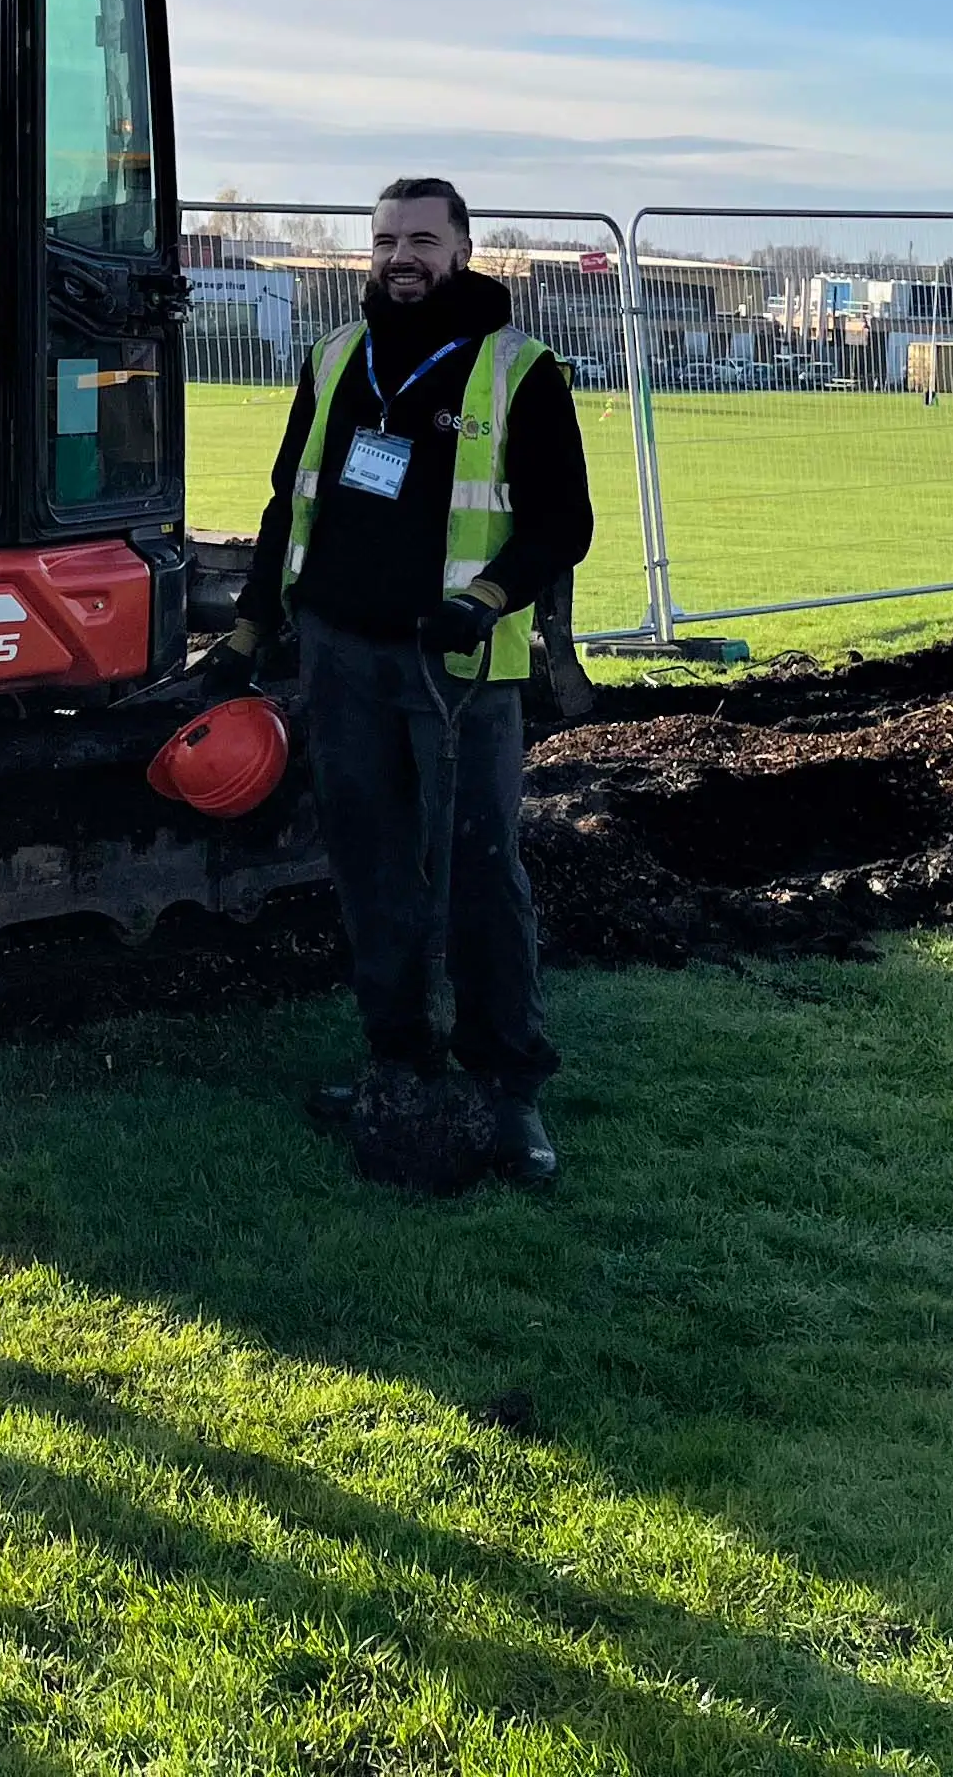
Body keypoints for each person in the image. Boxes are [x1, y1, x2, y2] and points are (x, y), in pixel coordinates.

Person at [204, 177, 593, 1192]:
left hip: (459, 670)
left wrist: (493, 594)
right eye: (385, 241)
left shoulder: (520, 370)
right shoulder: (338, 357)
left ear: (464, 249)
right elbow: (289, 502)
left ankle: (510, 1088)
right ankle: (397, 1065)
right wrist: (251, 628)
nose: (400, 256)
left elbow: (565, 523)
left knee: (478, 875)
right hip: (341, 656)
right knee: (372, 869)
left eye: (422, 239)